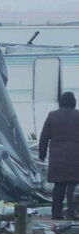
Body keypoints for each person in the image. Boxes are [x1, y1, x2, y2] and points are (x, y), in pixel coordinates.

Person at [39, 91, 79, 220]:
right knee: (73, 185)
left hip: (58, 157)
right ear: (74, 102)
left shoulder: (52, 116)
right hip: (75, 156)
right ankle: (72, 213)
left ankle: (56, 213)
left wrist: (42, 154)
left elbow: (44, 137)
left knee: (59, 186)